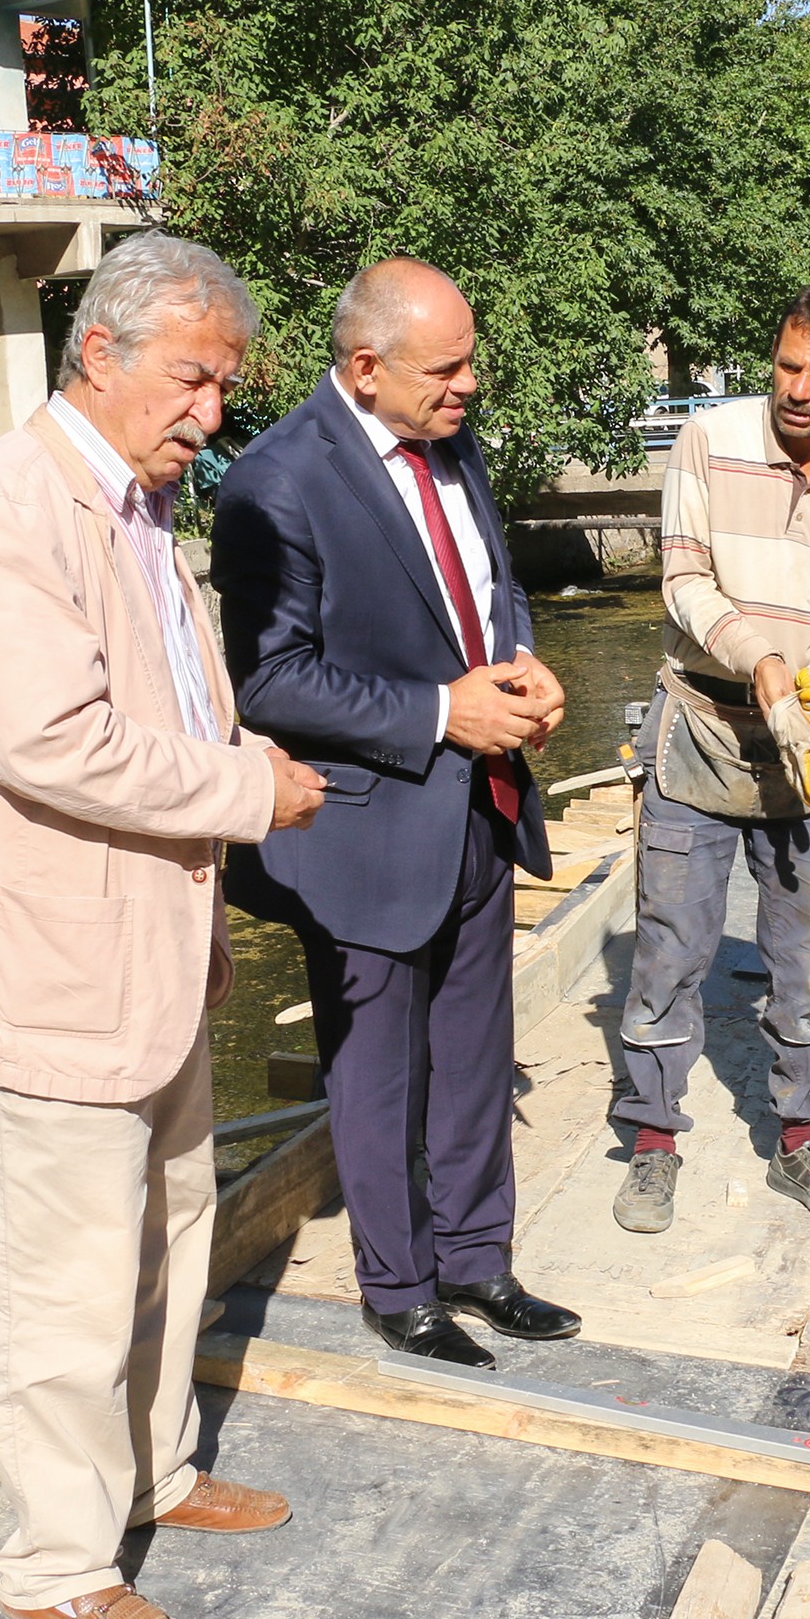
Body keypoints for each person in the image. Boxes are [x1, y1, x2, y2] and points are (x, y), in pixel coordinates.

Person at [0, 233, 326, 1619]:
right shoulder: (12, 507)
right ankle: (57, 1568)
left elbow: (165, 705)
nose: (209, 414)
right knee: (60, 1283)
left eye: (224, 386)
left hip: (148, 958)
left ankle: (153, 1473)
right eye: (191, 379)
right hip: (47, 968)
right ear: (99, 353)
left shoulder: (133, 512)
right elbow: (47, 742)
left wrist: (234, 750)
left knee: (170, 1230)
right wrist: (248, 792)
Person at [215, 258, 581, 1367]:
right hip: (368, 825)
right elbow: (269, 680)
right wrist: (439, 711)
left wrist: (522, 665)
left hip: (479, 803)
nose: (472, 384)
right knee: (377, 1067)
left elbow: (490, 583)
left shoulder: (450, 441)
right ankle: (400, 1286)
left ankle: (479, 1260)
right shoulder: (275, 484)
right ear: (366, 368)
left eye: (472, 360)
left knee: (475, 1049)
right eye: (449, 366)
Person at [607, 282, 810, 1234]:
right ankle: (652, 1143)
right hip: (700, 720)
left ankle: (801, 1141)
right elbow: (685, 573)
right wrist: (759, 660)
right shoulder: (711, 442)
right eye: (786, 365)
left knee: (806, 954)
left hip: (806, 740)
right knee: (669, 947)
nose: (797, 388)